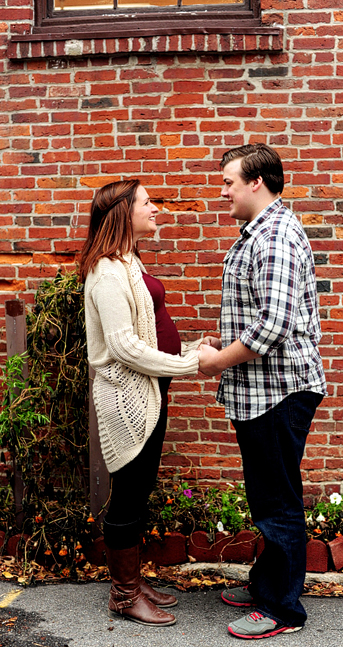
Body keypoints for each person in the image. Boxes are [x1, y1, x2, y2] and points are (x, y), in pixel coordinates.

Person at [198, 143, 327, 640]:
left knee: (277, 502)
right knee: (269, 495)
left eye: (229, 181)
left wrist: (217, 360)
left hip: (278, 392)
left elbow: (272, 326)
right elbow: (259, 314)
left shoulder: (273, 235)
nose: (223, 190)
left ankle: (282, 610)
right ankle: (268, 584)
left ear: (257, 182)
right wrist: (222, 341)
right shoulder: (260, 231)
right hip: (261, 390)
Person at [79, 179, 219, 627]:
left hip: (149, 392)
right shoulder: (105, 271)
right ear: (123, 212)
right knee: (128, 498)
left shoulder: (129, 261)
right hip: (126, 400)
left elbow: (148, 331)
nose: (155, 208)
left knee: (138, 495)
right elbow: (123, 346)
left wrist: (191, 347)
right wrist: (192, 364)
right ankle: (123, 596)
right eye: (146, 203)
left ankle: (133, 583)